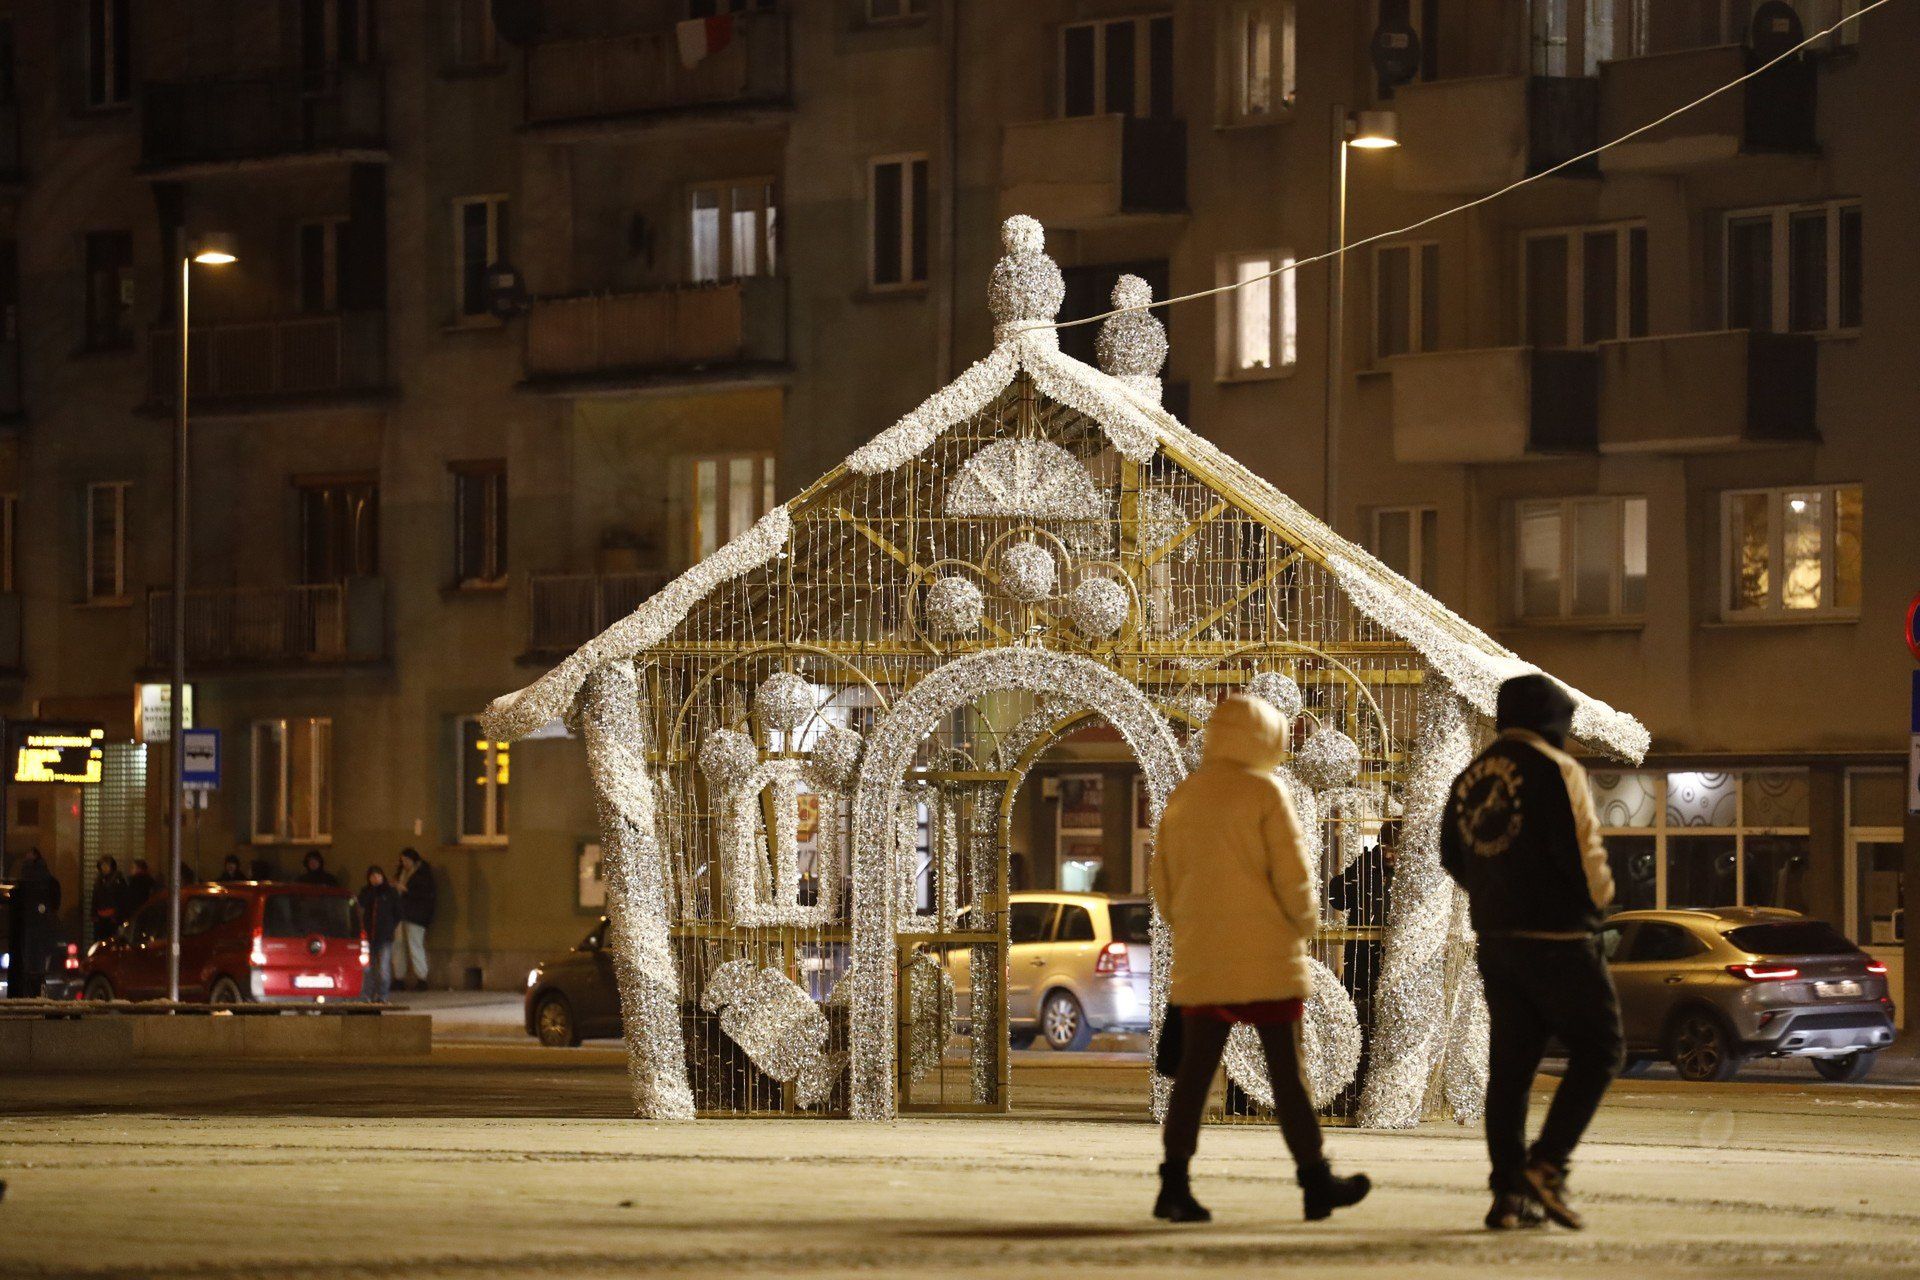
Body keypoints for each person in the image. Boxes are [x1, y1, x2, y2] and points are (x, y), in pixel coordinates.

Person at [1149, 693, 1371, 1224]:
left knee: (1195, 1077)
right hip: (1268, 961)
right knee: (1289, 1076)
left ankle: (1173, 1185)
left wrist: (1197, 932)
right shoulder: (1266, 791)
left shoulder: (1185, 796)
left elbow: (1162, 886)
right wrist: (1306, 925)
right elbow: (1295, 878)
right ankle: (1315, 1180)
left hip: (1204, 965)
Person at [1440, 674, 1621, 1232]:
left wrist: (1497, 897)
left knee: (1511, 1069)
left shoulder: (1471, 775)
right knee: (1601, 1048)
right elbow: (1581, 848)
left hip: (1498, 942)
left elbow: (1451, 853)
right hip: (1560, 938)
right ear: (1556, 721)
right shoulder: (1556, 768)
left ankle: (1507, 1196)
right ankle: (1547, 1165)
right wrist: (1600, 909)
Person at [5, 850, 60, 998]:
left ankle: (32, 989)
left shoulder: (26, 885)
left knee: (31, 963)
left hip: (31, 931)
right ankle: (36, 988)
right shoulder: (46, 883)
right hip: (39, 930)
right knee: (36, 964)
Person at [391, 848, 436, 992]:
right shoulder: (401, 873)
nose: (404, 863)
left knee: (415, 945)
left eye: (407, 860)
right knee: (398, 946)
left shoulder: (423, 874)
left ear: (414, 860)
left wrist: (405, 890)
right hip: (401, 914)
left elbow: (425, 895)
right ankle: (399, 977)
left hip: (416, 916)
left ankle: (422, 978)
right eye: (402, 860)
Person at [356, 865, 401, 1003]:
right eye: (372, 876)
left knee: (383, 968)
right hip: (368, 937)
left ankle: (382, 996)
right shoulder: (366, 892)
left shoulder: (390, 892)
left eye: (378, 875)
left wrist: (389, 927)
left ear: (382, 876)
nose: (375, 878)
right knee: (367, 969)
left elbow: (398, 913)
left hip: (384, 937)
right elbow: (361, 903)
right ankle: (366, 996)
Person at [91, 857, 130, 944]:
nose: (104, 867)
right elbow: (95, 898)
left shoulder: (118, 880)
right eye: (102, 865)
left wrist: (117, 915)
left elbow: (122, 899)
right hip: (100, 916)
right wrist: (94, 914)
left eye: (107, 865)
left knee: (112, 940)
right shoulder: (98, 880)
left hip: (112, 917)